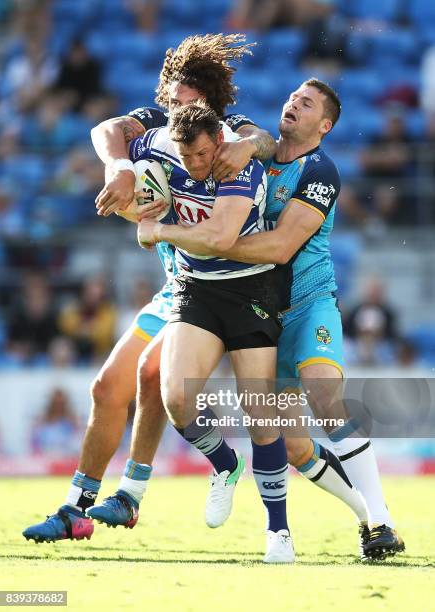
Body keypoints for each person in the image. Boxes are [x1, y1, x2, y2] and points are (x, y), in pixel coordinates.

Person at [22, 33, 277, 545]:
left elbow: (267, 140)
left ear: (209, 101)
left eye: (186, 101)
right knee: (105, 387)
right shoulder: (160, 129)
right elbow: (107, 128)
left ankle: (134, 492)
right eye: (171, 100)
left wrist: (251, 144)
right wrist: (118, 168)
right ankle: (80, 507)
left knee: (153, 373)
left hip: (232, 287)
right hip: (178, 284)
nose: (173, 110)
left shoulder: (233, 136)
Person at [190, 78, 404, 562]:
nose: (292, 103)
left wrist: (214, 243)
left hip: (309, 304)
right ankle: (369, 518)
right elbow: (251, 140)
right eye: (290, 97)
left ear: (324, 126)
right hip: (262, 317)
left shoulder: (320, 170)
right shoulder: (259, 155)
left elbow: (283, 245)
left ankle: (383, 518)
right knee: (294, 448)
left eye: (305, 103)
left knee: (325, 394)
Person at [110, 102, 294, 562]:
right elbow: (107, 132)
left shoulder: (237, 162)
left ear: (218, 142)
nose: (194, 164)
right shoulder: (157, 146)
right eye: (186, 156)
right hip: (196, 290)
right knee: (175, 399)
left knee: (260, 413)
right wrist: (119, 172)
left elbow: (220, 238)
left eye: (202, 155)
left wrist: (159, 229)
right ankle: (225, 463)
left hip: (250, 288)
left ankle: (278, 532)